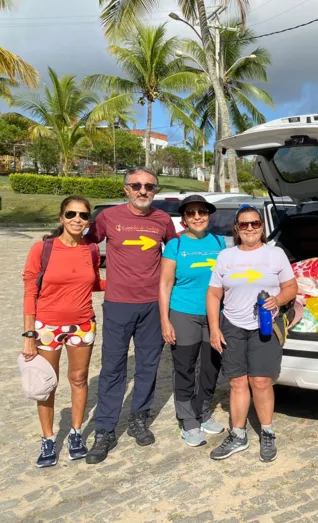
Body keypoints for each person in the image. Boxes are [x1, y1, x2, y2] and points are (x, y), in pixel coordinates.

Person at [84, 167, 177, 464]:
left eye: (149, 186)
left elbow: (174, 255)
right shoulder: (108, 217)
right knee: (112, 368)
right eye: (136, 185)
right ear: (125, 189)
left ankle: (139, 418)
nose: (142, 191)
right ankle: (105, 430)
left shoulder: (162, 220)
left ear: (155, 191)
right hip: (118, 304)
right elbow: (85, 245)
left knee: (148, 366)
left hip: (152, 305)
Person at [206, 204, 298, 463]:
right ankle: (238, 435)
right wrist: (215, 328)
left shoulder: (275, 254)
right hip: (233, 325)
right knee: (236, 381)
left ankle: (267, 432)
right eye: (244, 224)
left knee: (260, 381)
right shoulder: (227, 256)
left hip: (264, 325)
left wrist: (278, 300)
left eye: (254, 223)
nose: (249, 228)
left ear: (262, 226)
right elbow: (214, 294)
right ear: (236, 228)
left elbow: (291, 287)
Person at [21, 196, 104, 467]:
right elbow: (30, 292)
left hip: (82, 324)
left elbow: (92, 283)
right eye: (71, 214)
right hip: (47, 327)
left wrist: (127, 283)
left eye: (82, 215)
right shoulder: (42, 249)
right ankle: (48, 439)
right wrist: (29, 335)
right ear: (61, 218)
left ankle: (77, 434)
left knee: (79, 378)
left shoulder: (91, 250)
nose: (77, 220)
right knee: (47, 385)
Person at [159, 195, 226, 447]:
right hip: (183, 313)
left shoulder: (220, 242)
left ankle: (203, 411)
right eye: (191, 213)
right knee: (184, 368)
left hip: (214, 317)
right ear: (184, 219)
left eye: (202, 212)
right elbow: (165, 285)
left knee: (211, 367)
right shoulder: (175, 246)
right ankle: (188, 420)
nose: (197, 217)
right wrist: (165, 320)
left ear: (209, 215)